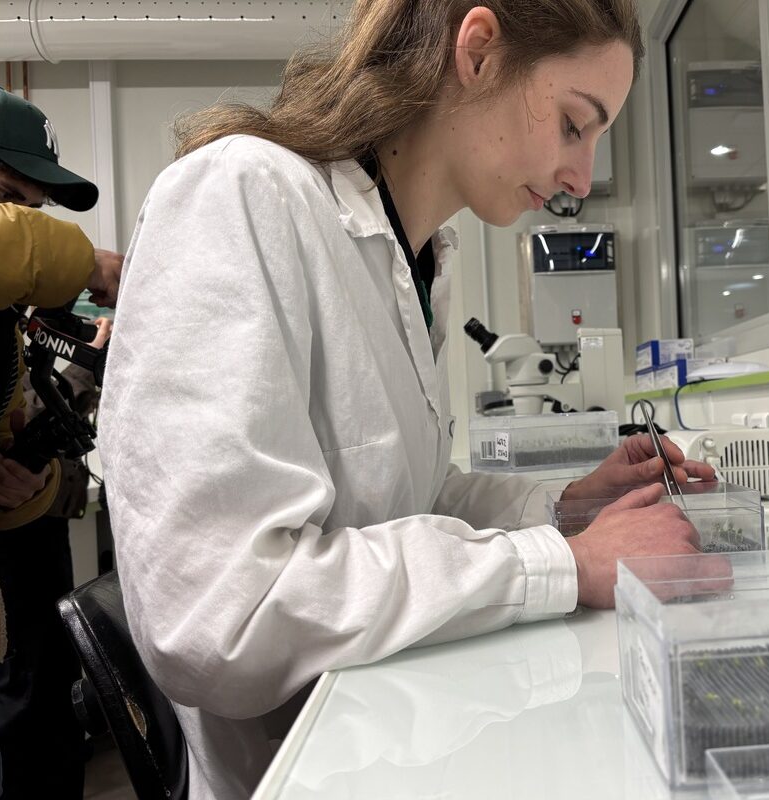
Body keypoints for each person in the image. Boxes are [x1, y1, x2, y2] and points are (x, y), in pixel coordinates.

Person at [100, 3, 712, 798]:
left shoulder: (417, 261)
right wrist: (562, 563)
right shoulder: (240, 196)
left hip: (399, 737)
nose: (581, 180)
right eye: (573, 124)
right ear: (481, 51)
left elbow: (402, 499)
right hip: (307, 769)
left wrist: (564, 510)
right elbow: (225, 616)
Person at [0, 81, 122, 800]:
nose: (18, 219)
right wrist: (87, 266)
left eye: (32, 208)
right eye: (3, 194)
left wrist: (24, 485)